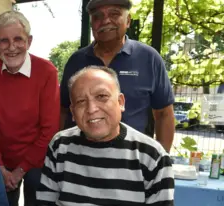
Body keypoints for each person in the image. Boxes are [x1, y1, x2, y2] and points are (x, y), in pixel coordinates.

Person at [17, 66, 178, 206]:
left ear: (120, 102)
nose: (92, 108)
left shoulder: (151, 155)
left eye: (101, 96)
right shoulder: (60, 145)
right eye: (81, 102)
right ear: (73, 113)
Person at [0, 10, 60, 206]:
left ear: (29, 41)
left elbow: (49, 129)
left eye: (18, 39)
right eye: (4, 40)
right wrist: (0, 167)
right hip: (4, 159)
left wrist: (21, 169)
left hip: (36, 160)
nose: (11, 47)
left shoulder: (46, 72)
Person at [59, 0, 175, 152]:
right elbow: (63, 110)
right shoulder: (76, 61)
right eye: (97, 16)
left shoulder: (148, 58)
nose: (105, 21)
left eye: (114, 14)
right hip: (80, 159)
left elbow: (164, 114)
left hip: (133, 161)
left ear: (128, 21)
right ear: (92, 24)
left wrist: (161, 161)